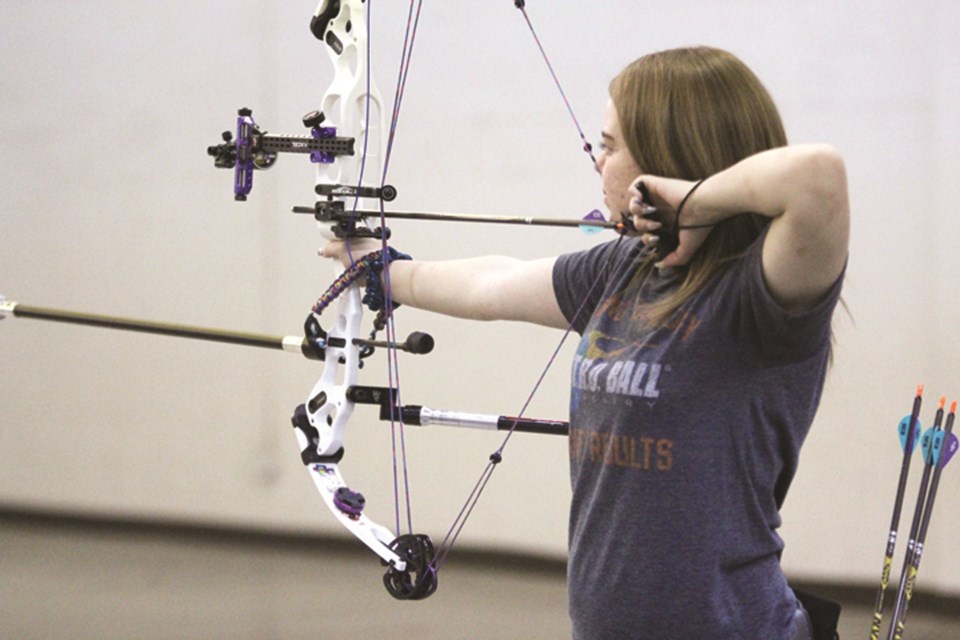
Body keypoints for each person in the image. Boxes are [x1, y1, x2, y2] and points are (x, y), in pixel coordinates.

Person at [324, 46, 849, 640]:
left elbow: (819, 177)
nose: (598, 164)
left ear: (666, 158)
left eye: (610, 146)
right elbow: (492, 285)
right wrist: (378, 267)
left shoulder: (760, 294)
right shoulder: (624, 268)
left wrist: (691, 201)